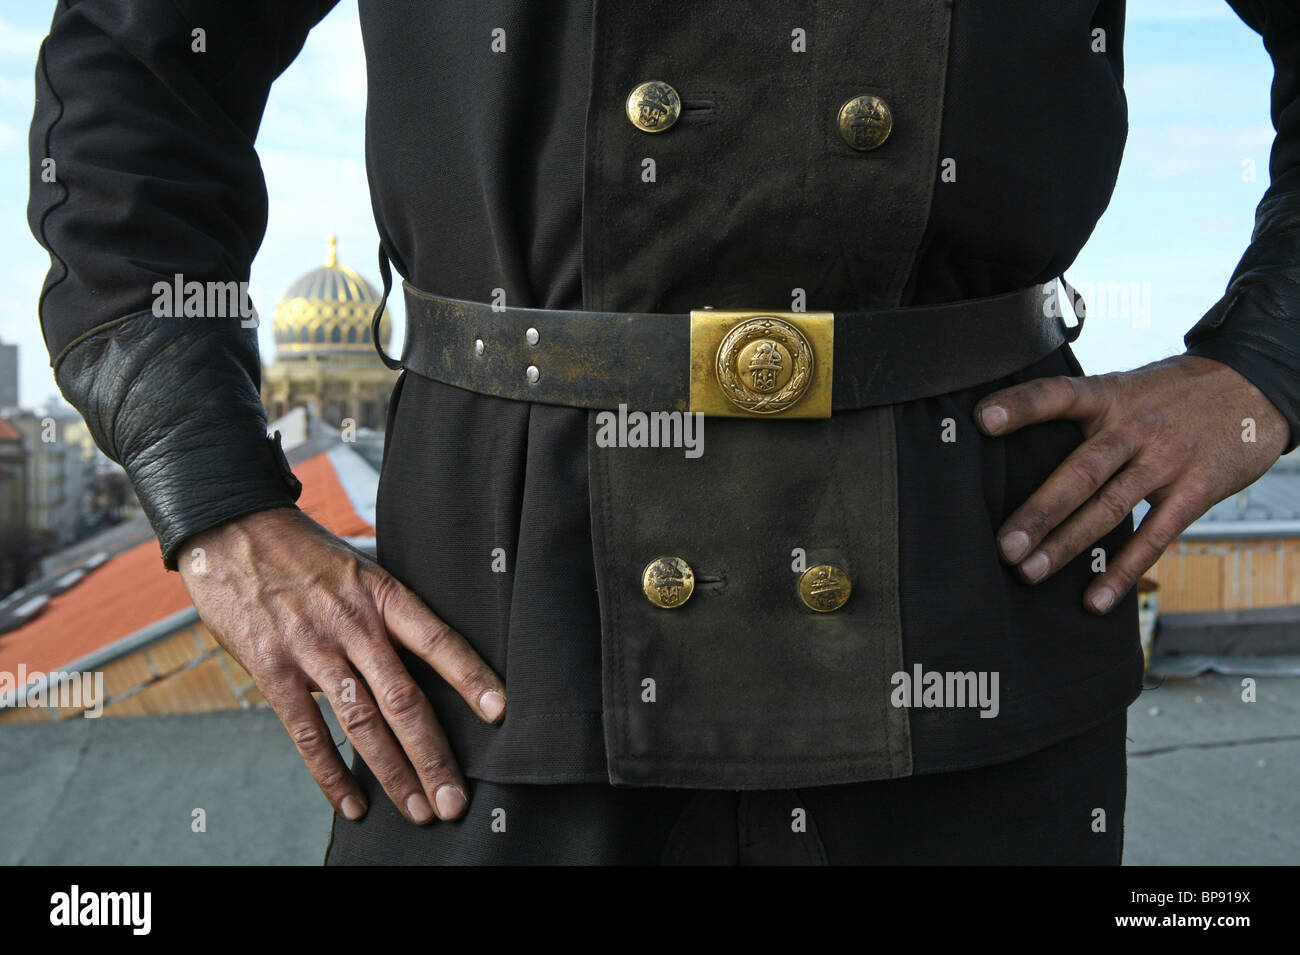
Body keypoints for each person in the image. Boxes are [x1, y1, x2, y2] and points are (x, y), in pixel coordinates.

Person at [28, 1, 1298, 865]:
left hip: (970, 588)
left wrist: (1261, 362)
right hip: (501, 621)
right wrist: (218, 503)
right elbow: (134, 80)